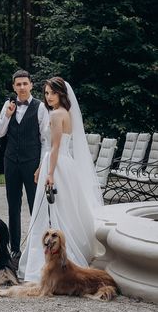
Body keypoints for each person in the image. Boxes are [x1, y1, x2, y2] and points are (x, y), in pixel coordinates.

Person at [18, 77, 103, 282]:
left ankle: (51, 261)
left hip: (56, 166)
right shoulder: (66, 113)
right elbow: (54, 147)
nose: (48, 97)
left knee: (52, 211)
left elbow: (54, 146)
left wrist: (49, 173)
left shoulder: (57, 114)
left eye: (52, 93)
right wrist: (41, 167)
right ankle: (65, 255)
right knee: (65, 209)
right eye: (46, 93)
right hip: (63, 164)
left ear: (61, 94)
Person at [0, 69, 49, 265]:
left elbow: (45, 140)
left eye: (25, 83)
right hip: (11, 163)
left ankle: (36, 248)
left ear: (31, 85)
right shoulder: (8, 105)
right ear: (14, 87)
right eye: (18, 84)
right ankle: (15, 249)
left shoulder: (41, 107)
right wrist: (7, 116)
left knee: (36, 207)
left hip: (32, 164)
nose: (22, 87)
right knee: (13, 206)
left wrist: (41, 166)